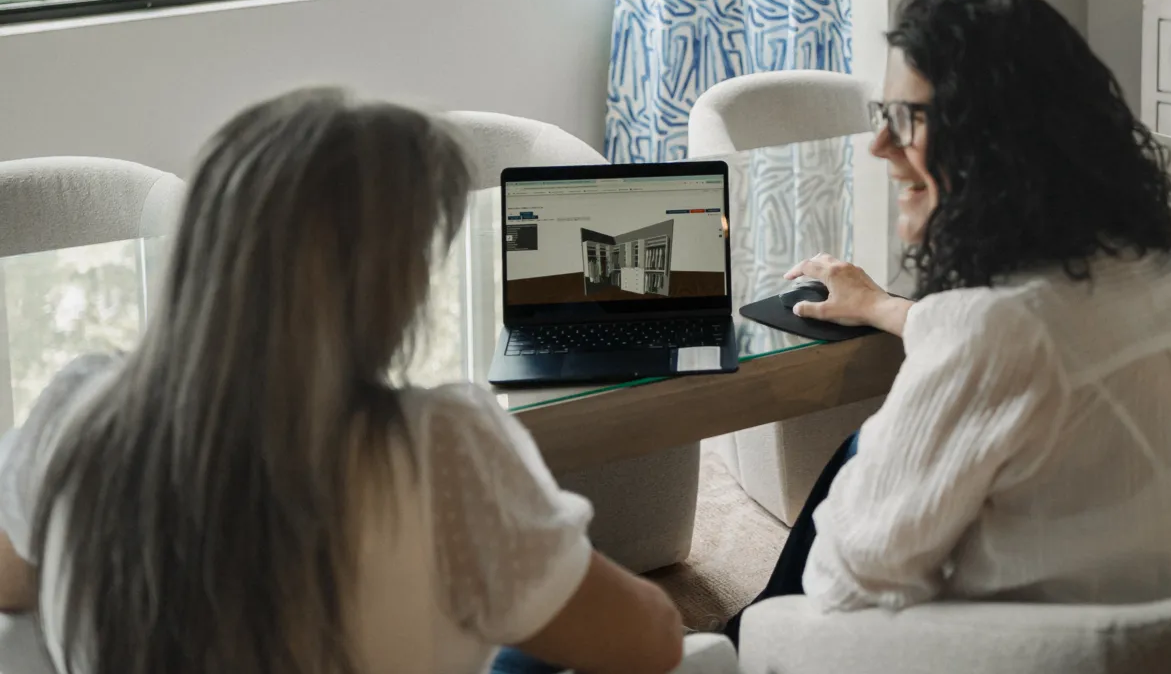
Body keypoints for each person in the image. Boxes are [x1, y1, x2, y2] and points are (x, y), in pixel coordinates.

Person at [0, 89, 684, 674]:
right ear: (392, 291)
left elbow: (10, 581)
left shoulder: (69, 416)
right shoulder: (441, 448)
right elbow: (651, 643)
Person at [726, 0, 1171, 639]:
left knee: (852, 476)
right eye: (882, 114)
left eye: (906, 118)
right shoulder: (1166, 257)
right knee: (862, 455)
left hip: (1076, 652)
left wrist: (879, 457)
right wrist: (883, 306)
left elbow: (849, 586)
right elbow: (1047, 341)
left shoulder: (1000, 332)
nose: (880, 144)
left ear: (995, 139)